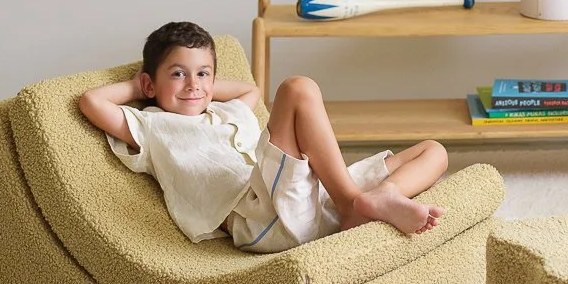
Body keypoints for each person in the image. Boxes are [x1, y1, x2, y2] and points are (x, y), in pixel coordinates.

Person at [78, 20, 447, 253]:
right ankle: (353, 203)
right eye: (178, 74)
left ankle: (382, 195)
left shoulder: (226, 110)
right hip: (262, 216)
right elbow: (92, 102)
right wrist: (141, 87)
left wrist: (203, 87)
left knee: (433, 151)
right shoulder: (151, 124)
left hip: (312, 198)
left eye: (203, 73)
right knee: (297, 88)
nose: (193, 85)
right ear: (149, 84)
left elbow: (248, 90)